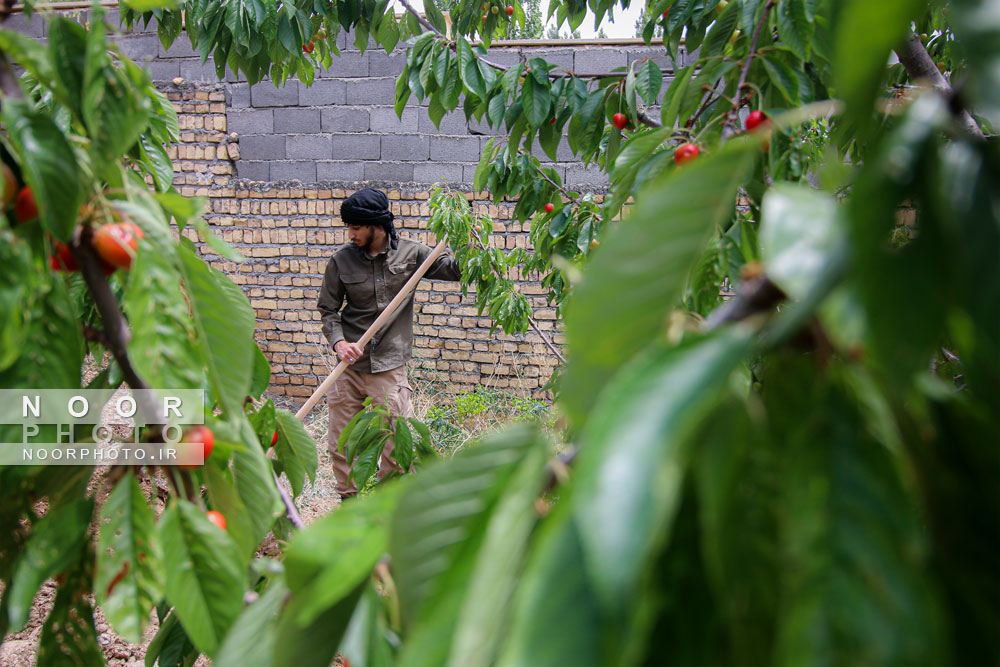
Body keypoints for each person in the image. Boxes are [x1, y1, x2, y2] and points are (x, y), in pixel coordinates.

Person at [317, 188, 462, 498]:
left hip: (388, 367)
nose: (350, 233)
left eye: (356, 227)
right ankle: (349, 502)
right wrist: (339, 343)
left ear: (376, 225)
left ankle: (385, 506)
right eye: (349, 227)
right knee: (340, 442)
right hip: (349, 366)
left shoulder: (413, 254)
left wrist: (468, 237)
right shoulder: (340, 261)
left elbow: (457, 270)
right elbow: (328, 310)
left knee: (397, 442)